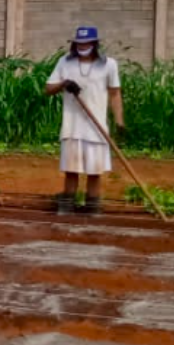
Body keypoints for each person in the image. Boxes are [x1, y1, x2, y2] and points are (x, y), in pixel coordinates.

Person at [45, 26, 124, 216]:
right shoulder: (65, 62)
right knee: (71, 169)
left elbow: (115, 94)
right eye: (79, 43)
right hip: (72, 126)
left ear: (95, 43)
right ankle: (66, 205)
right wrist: (64, 84)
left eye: (87, 43)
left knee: (94, 170)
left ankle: (92, 207)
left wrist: (120, 121)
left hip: (96, 127)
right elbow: (48, 89)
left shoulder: (109, 65)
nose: (83, 46)